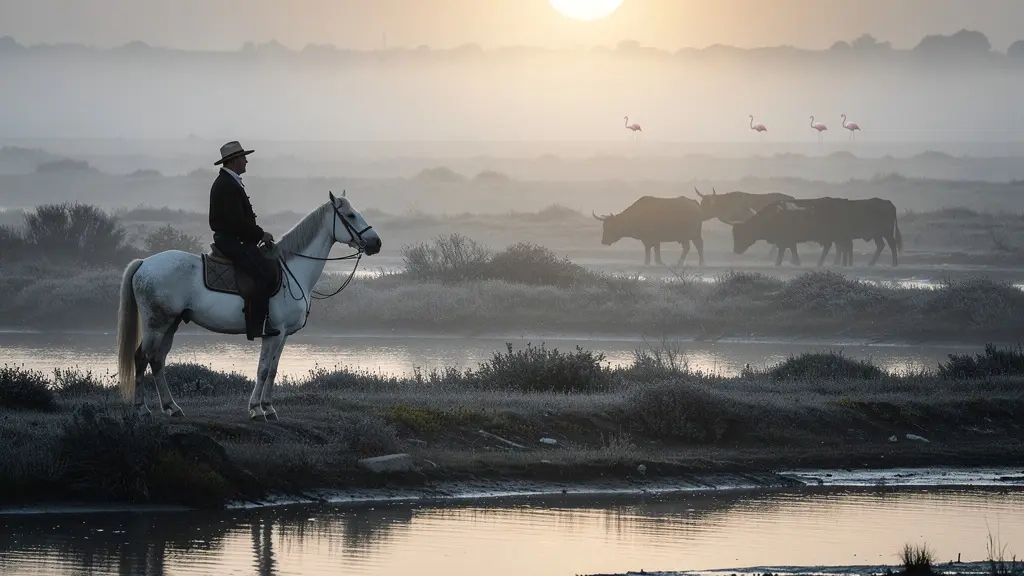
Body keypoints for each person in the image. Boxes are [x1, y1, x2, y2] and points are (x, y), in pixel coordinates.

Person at [208, 141, 280, 340]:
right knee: (264, 273)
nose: (246, 160)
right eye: (243, 158)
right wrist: (260, 234)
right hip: (233, 241)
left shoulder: (230, 182)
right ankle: (260, 324)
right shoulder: (226, 185)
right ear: (233, 161)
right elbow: (237, 222)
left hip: (235, 239)